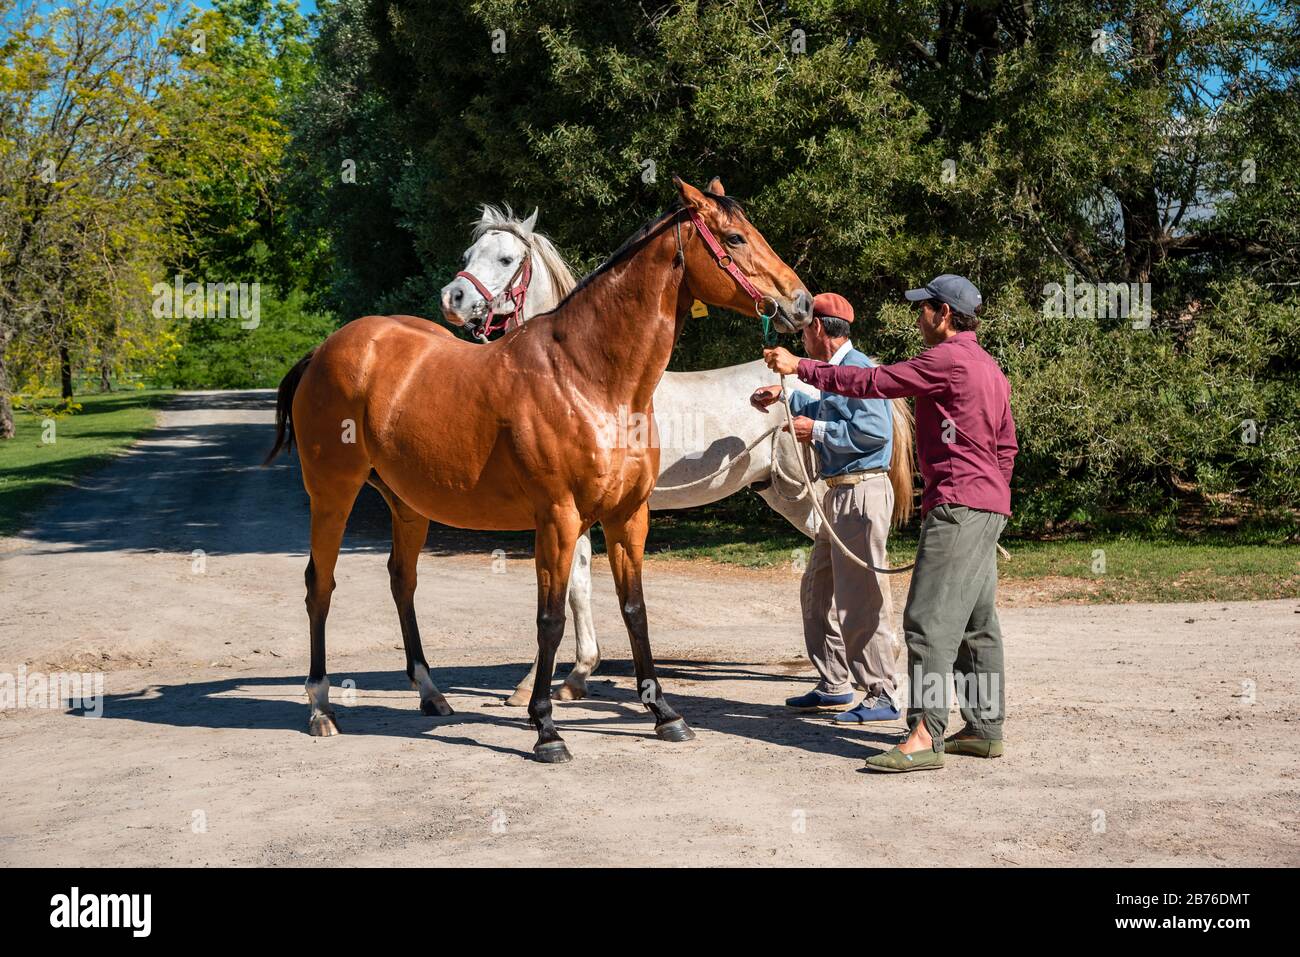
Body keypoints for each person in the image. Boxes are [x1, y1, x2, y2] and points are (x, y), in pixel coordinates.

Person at [764, 275, 1018, 773]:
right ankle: (985, 729)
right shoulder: (989, 366)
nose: (918, 316)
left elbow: (876, 384)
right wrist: (994, 495)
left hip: (957, 506)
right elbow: (1006, 446)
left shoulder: (945, 359)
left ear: (943, 314)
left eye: (923, 308)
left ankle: (924, 733)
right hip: (988, 505)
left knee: (925, 621)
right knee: (977, 623)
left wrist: (803, 369)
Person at [750, 292, 901, 724]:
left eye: (803, 330)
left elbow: (871, 433)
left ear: (819, 329)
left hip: (860, 494)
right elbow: (831, 411)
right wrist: (786, 400)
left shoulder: (860, 370)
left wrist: (813, 430)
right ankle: (835, 682)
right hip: (840, 495)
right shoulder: (840, 372)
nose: (802, 338)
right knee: (817, 589)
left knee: (859, 598)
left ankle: (881, 691)